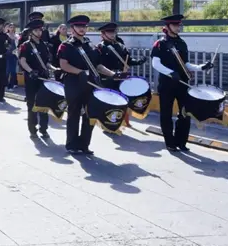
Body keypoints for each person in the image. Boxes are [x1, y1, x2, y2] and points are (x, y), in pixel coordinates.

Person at [57, 15, 126, 154]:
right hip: (74, 83)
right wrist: (80, 72)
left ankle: (84, 144)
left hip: (91, 84)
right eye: (79, 26)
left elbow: (99, 66)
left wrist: (113, 74)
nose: (82, 29)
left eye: (84, 27)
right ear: (73, 28)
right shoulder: (66, 46)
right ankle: (72, 144)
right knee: (74, 113)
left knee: (90, 114)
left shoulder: (90, 45)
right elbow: (63, 65)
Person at [151, 14, 214, 152]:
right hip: (167, 84)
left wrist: (201, 67)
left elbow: (185, 64)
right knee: (166, 114)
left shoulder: (182, 43)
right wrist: (170, 73)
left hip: (182, 84)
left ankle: (181, 141)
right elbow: (155, 63)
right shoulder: (160, 44)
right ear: (167, 27)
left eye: (179, 25)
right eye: (175, 25)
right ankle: (170, 142)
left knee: (185, 113)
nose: (178, 27)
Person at [95, 22, 146, 128]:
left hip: (121, 78)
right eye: (109, 32)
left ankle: (122, 122)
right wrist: (112, 74)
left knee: (123, 101)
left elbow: (127, 61)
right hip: (108, 78)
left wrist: (139, 61)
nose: (112, 34)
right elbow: (98, 65)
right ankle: (107, 125)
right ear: (103, 34)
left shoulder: (120, 46)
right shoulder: (99, 48)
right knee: (110, 102)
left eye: (114, 31)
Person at [19, 19, 52, 138]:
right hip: (32, 78)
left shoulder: (44, 45)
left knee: (44, 104)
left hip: (43, 78)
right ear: (31, 32)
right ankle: (32, 128)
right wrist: (31, 71)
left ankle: (44, 128)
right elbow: (22, 61)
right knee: (32, 104)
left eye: (40, 30)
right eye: (36, 30)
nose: (39, 32)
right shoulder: (25, 46)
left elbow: (47, 62)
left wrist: (54, 68)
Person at [5, 23, 19, 90]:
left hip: (14, 55)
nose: (12, 28)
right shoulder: (6, 35)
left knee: (13, 71)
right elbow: (5, 46)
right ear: (8, 28)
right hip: (7, 55)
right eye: (11, 27)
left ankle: (11, 85)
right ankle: (6, 85)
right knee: (7, 71)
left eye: (13, 27)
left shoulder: (17, 36)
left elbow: (18, 45)